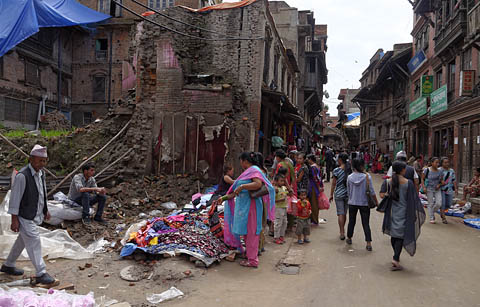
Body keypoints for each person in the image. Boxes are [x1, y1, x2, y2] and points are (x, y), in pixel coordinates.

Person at [1, 145, 57, 286]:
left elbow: (42, 193)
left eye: (44, 161)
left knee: (22, 241)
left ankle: (8, 265)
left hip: (33, 214)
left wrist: (45, 209)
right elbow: (15, 199)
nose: (42, 164)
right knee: (34, 240)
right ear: (31, 159)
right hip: (24, 215)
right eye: (40, 161)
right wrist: (14, 219)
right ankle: (41, 272)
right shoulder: (22, 176)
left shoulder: (41, 174)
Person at [216, 152, 275, 268]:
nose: (240, 163)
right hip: (244, 207)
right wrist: (223, 198)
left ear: (244, 161)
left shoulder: (254, 170)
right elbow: (235, 192)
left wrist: (243, 186)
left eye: (241, 161)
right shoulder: (247, 172)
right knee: (247, 233)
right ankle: (249, 255)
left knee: (252, 233)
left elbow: (258, 184)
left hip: (251, 207)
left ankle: (253, 261)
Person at [379, 161, 426, 271]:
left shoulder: (388, 181)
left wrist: (389, 195)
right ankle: (395, 258)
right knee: (400, 236)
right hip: (404, 212)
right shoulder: (408, 183)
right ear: (402, 170)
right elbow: (414, 199)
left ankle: (396, 256)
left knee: (394, 235)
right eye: (405, 169)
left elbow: (382, 195)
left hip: (391, 212)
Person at [346, 158, 378, 251]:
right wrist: (376, 202)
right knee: (366, 223)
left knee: (351, 221)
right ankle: (368, 243)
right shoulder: (367, 177)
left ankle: (349, 238)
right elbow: (372, 191)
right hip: (364, 203)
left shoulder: (349, 177)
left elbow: (348, 191)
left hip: (352, 202)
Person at [329, 153, 350, 240]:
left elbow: (334, 184)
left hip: (339, 193)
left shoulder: (336, 170)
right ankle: (343, 230)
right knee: (344, 213)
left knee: (340, 213)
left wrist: (331, 194)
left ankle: (342, 232)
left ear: (340, 160)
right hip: (348, 194)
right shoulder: (350, 169)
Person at [422, 157, 444, 224]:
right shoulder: (427, 170)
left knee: (439, 203)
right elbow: (422, 179)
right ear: (432, 163)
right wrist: (424, 187)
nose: (437, 164)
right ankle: (431, 217)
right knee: (430, 203)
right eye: (436, 162)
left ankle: (432, 212)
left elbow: (442, 181)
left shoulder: (440, 171)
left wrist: (440, 184)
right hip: (429, 188)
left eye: (438, 162)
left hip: (437, 189)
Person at [306, 154, 327, 225]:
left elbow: (316, 178)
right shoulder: (317, 167)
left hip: (313, 187)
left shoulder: (313, 167)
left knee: (314, 203)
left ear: (310, 159)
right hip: (315, 187)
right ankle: (314, 219)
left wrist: (318, 187)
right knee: (314, 203)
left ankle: (314, 220)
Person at [273, 174, 290, 245]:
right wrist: (280, 200)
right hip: (278, 208)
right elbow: (272, 200)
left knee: (284, 222)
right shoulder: (275, 189)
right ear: (276, 181)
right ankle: (276, 237)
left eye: (283, 181)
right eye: (281, 181)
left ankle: (281, 236)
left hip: (284, 207)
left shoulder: (283, 188)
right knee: (278, 223)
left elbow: (287, 194)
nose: (282, 182)